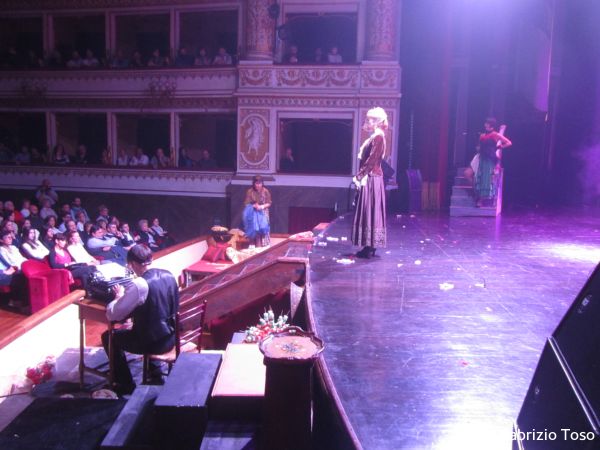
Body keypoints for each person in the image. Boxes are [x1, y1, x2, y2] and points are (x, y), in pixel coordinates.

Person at [102, 244, 179, 394]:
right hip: (171, 336)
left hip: (153, 343)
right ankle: (155, 372)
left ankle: (124, 383)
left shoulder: (140, 284)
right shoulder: (168, 274)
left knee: (108, 337)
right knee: (150, 323)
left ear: (133, 263)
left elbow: (113, 315)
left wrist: (118, 297)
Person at [352, 107, 388, 258]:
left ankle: (370, 246)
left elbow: (372, 160)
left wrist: (359, 176)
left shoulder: (378, 137)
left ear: (377, 121)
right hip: (371, 177)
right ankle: (369, 246)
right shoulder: (374, 137)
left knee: (369, 211)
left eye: (369, 119)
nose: (367, 122)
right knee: (370, 211)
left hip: (372, 178)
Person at [466, 118, 512, 207]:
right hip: (481, 158)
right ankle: (477, 195)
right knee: (478, 177)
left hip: (489, 159)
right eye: (486, 123)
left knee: (486, 178)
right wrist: (478, 148)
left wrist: (499, 147)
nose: (485, 124)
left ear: (491, 125)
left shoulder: (495, 134)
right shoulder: (482, 135)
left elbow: (508, 142)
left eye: (487, 123)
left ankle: (481, 200)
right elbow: (479, 146)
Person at [243, 175, 271, 247]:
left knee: (262, 230)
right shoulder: (250, 191)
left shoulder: (265, 191)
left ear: (262, 183)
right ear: (254, 183)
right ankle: (252, 246)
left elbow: (269, 203)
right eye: (256, 183)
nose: (258, 185)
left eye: (260, 183)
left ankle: (262, 247)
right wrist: (253, 206)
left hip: (263, 213)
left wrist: (261, 207)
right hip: (253, 213)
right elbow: (246, 203)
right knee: (254, 230)